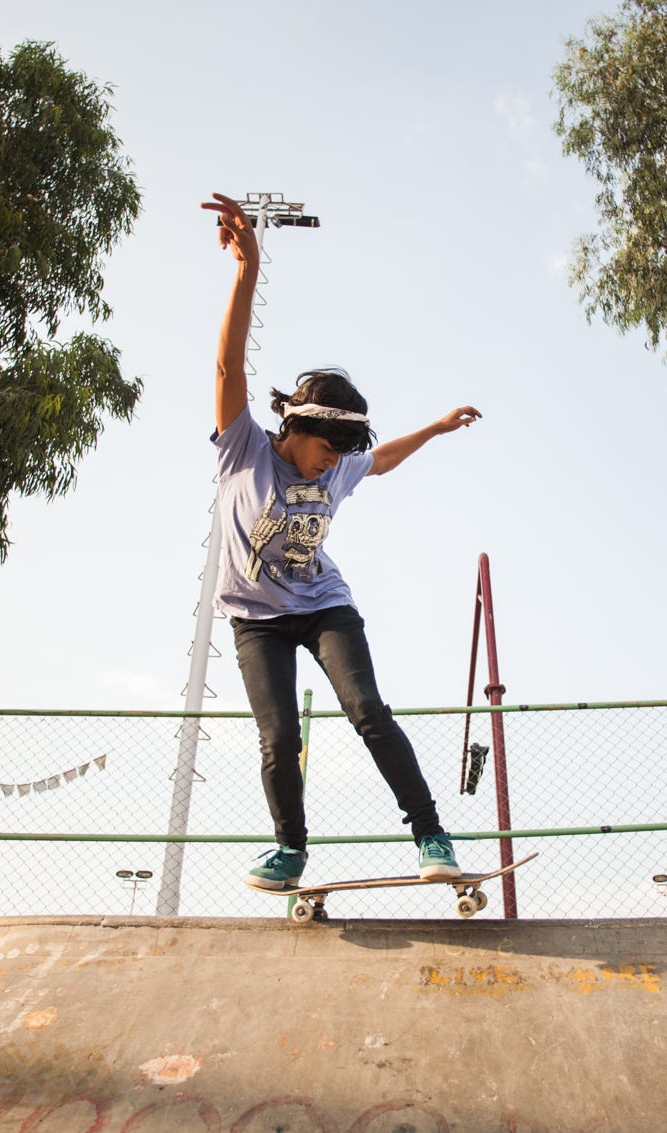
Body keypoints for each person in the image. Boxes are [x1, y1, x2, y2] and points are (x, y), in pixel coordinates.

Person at [201, 191, 481, 891]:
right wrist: (247, 270)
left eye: (338, 455)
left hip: (325, 605)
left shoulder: (343, 464)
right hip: (255, 620)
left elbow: (379, 460)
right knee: (280, 737)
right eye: (326, 449)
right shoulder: (243, 449)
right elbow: (228, 370)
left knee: (367, 710)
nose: (331, 464)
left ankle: (431, 833)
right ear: (293, 428)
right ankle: (290, 850)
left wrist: (439, 428)